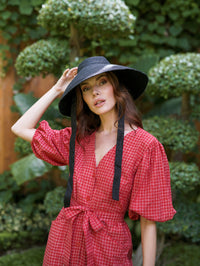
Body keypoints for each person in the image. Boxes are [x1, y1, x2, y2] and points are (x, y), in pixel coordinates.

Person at [11, 56, 176, 266]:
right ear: (83, 99)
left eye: (102, 82)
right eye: (86, 88)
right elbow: (20, 128)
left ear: (117, 87)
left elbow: (148, 218)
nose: (95, 92)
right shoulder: (78, 139)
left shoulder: (146, 145)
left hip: (109, 246)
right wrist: (56, 89)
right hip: (64, 241)